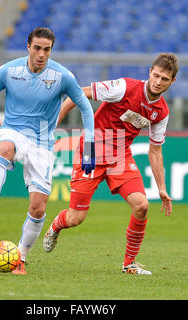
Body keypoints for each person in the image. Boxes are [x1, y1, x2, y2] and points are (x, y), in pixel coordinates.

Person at [0, 27, 95, 275]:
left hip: (42, 144)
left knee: (38, 208)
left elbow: (86, 108)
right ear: (28, 47)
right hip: (13, 130)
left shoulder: (62, 76)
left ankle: (19, 258)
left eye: (47, 49)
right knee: (4, 147)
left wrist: (89, 147)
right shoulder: (8, 71)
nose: (41, 54)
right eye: (37, 48)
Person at [43, 53, 178, 275]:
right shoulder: (123, 87)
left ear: (172, 81)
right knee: (76, 218)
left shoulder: (161, 112)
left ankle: (129, 264)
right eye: (156, 75)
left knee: (142, 206)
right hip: (91, 150)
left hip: (120, 156)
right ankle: (56, 225)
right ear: (149, 72)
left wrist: (162, 189)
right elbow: (75, 96)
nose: (158, 82)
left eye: (164, 79)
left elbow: (155, 151)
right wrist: (51, 129)